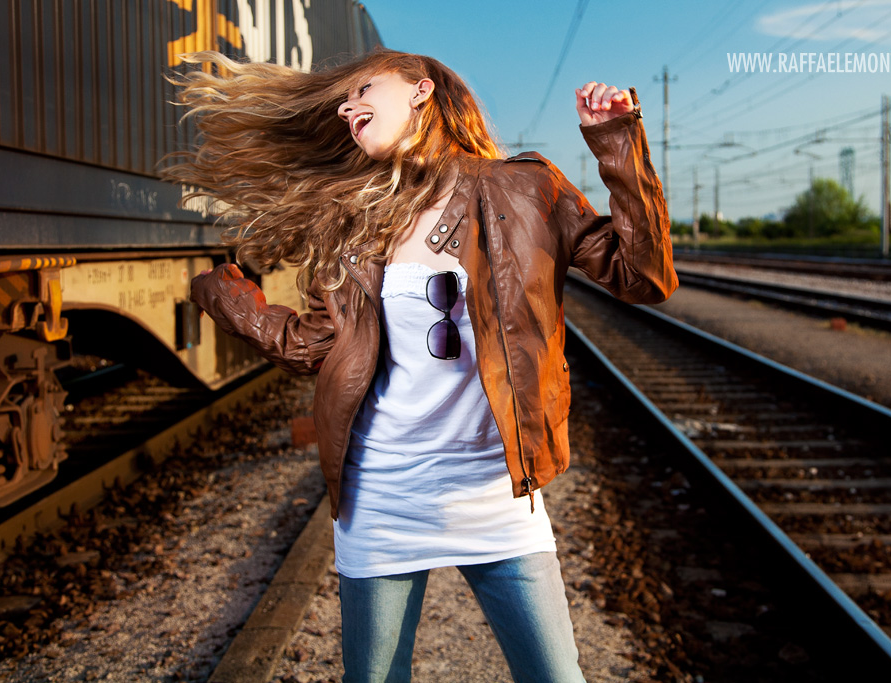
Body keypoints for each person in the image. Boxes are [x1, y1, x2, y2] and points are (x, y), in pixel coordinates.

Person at [170, 48, 676, 683]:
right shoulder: (356, 222)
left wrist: (617, 144)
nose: (349, 107)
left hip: (495, 500)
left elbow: (643, 276)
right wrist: (231, 302)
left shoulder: (525, 190)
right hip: (382, 499)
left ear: (420, 91)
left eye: (364, 89)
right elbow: (316, 348)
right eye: (342, 101)